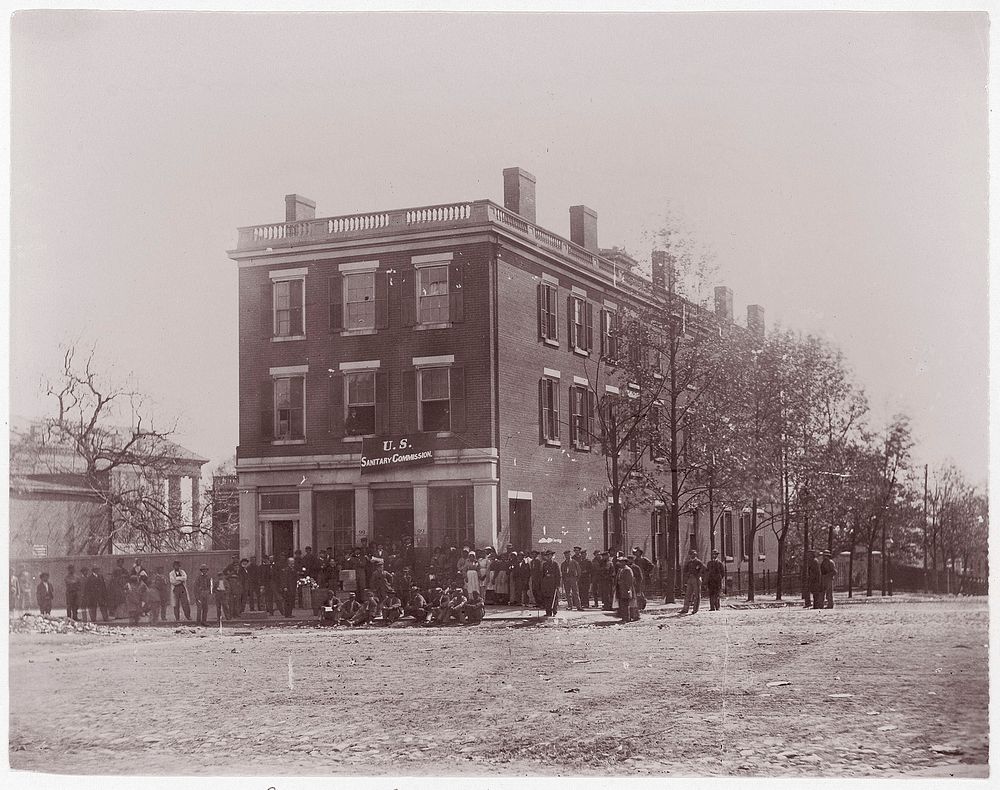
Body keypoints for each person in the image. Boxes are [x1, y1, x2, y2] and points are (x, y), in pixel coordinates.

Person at [679, 549, 706, 615]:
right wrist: (687, 575)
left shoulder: (698, 562)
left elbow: (704, 569)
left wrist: (699, 575)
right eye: (692, 554)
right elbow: (685, 571)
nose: (693, 556)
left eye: (694, 554)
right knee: (688, 594)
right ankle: (685, 609)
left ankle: (695, 609)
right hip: (690, 579)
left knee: (697, 594)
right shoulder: (688, 562)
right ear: (689, 555)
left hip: (696, 579)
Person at [614, 555, 637, 622]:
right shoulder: (620, 570)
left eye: (621, 562)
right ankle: (623, 617)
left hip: (625, 589)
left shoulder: (627, 570)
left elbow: (629, 581)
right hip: (620, 589)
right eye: (619, 562)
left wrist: (628, 590)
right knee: (622, 604)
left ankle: (627, 618)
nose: (619, 563)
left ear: (624, 562)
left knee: (625, 604)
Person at [539, 549, 562, 616]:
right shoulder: (544, 564)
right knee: (547, 597)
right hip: (546, 583)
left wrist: (558, 584)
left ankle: (554, 611)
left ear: (552, 556)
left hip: (553, 583)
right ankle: (548, 612)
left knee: (554, 597)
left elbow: (558, 575)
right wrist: (542, 583)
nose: (549, 557)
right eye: (547, 555)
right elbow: (542, 575)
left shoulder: (555, 564)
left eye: (550, 555)